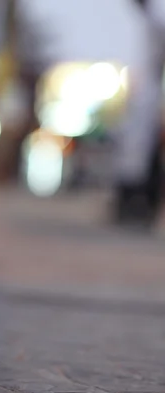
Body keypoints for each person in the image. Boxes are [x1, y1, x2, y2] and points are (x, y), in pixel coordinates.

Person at [112, 0, 164, 228]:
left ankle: (139, 209)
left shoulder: (153, 26)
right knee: (132, 158)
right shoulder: (145, 25)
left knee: (141, 158)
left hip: (147, 102)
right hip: (137, 101)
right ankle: (129, 208)